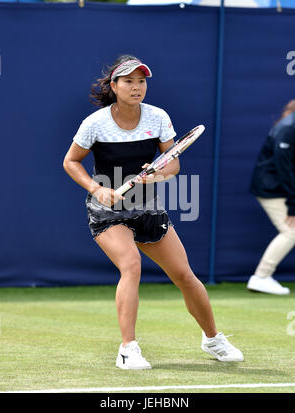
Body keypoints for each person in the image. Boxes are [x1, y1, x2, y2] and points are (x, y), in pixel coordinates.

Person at [63, 54, 243, 369]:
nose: (136, 87)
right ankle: (128, 350)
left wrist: (157, 173)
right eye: (129, 81)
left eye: (141, 81)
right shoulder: (95, 123)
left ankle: (213, 339)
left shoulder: (158, 117)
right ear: (114, 86)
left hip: (147, 207)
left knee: (185, 275)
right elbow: (71, 161)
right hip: (108, 212)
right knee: (131, 265)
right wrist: (96, 189)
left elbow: (172, 162)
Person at [248, 100, 295, 295]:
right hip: (273, 189)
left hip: (282, 188)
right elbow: (284, 168)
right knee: (292, 232)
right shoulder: (288, 128)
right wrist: (293, 204)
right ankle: (261, 277)